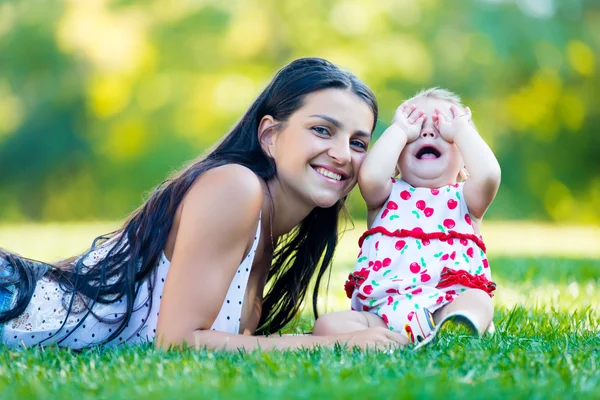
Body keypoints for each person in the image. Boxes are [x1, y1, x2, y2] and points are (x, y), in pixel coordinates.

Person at [0, 57, 408, 351]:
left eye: (358, 143)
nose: (343, 154)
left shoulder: (266, 228)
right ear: (269, 136)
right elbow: (177, 343)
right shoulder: (236, 187)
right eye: (322, 130)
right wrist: (325, 346)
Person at [312, 88, 501, 348]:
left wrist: (461, 131)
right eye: (416, 125)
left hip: (444, 306)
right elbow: (370, 175)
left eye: (441, 127)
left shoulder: (465, 199)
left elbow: (489, 174)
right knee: (326, 325)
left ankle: (457, 326)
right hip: (382, 315)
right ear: (397, 158)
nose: (428, 132)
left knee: (478, 300)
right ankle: (387, 341)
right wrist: (400, 130)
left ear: (466, 163)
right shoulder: (385, 196)